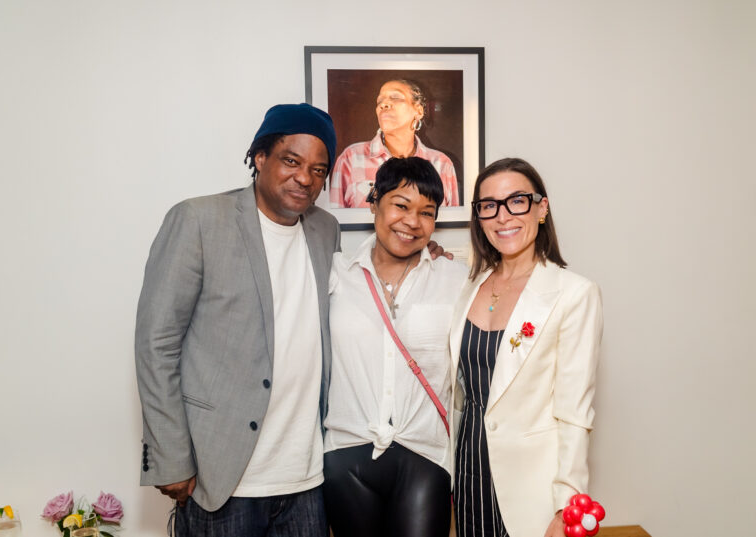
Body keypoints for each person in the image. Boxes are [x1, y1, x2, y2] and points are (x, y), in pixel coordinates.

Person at [135, 103, 340, 537]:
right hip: (221, 474)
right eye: (291, 161)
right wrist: (170, 456)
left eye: (318, 170)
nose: (305, 178)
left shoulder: (326, 230)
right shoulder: (198, 220)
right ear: (260, 157)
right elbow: (157, 344)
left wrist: (428, 257)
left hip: (306, 475)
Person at [448, 158, 603, 537]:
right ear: (479, 217)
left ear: (541, 208)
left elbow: (574, 413)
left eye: (517, 201)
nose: (503, 217)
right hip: (467, 468)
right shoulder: (469, 285)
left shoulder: (575, 294)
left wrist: (567, 505)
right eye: (489, 206)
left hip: (530, 488)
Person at [323, 157, 468, 537]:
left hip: (424, 452)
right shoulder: (335, 272)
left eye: (427, 212)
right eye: (401, 205)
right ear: (374, 202)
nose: (412, 221)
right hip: (345, 451)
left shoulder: (456, 278)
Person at [329, 79, 460, 208]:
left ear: (419, 111)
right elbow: (336, 221)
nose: (383, 104)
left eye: (396, 98)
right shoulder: (351, 158)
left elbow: (449, 226)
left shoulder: (442, 165)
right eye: (379, 101)